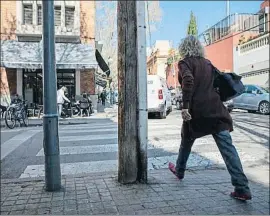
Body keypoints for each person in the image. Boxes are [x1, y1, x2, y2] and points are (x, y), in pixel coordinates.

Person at [168, 35, 252, 201]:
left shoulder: (185, 63)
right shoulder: (207, 63)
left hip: (196, 112)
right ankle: (242, 188)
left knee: (187, 138)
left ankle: (179, 170)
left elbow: (188, 79)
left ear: (184, 48)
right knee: (228, 149)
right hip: (216, 111)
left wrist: (185, 107)